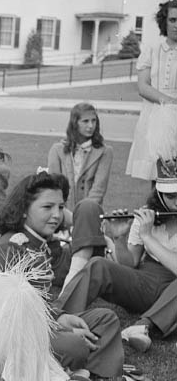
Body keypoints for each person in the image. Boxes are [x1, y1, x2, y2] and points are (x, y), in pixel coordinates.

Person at [57, 111, 177, 353]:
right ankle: (60, 317)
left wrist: (148, 238)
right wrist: (117, 237)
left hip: (172, 293)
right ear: (159, 193)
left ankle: (142, 326)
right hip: (146, 284)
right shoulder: (148, 214)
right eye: (171, 195)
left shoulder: (148, 230)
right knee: (98, 264)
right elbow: (130, 262)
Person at [0, 171, 123, 380]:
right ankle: (74, 373)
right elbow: (11, 315)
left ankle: (82, 374)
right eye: (47, 207)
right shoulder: (11, 246)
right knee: (75, 344)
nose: (57, 215)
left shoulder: (41, 242)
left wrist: (61, 318)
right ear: (24, 209)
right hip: (15, 334)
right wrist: (57, 327)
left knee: (106, 319)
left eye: (60, 207)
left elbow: (44, 303)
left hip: (43, 322)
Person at [47, 102, 113, 289]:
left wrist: (80, 223)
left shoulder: (105, 152)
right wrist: (65, 217)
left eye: (93, 121)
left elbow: (98, 192)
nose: (90, 125)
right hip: (62, 215)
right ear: (74, 123)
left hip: (89, 215)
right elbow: (54, 189)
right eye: (85, 121)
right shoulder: (57, 150)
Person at [126, 0, 177, 181]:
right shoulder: (152, 50)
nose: (176, 25)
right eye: (172, 20)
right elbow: (143, 87)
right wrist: (170, 102)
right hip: (156, 114)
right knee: (158, 175)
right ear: (164, 22)